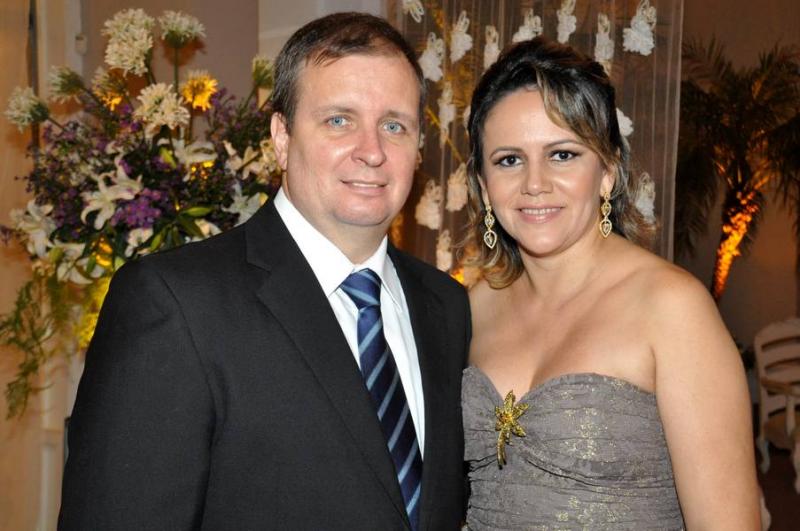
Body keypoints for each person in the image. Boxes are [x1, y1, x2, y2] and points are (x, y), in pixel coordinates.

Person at [59, 12, 470, 530]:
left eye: (394, 126)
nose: (372, 152)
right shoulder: (175, 303)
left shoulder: (446, 306)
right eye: (339, 120)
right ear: (281, 136)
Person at [461, 37, 759, 530]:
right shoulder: (475, 306)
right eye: (509, 160)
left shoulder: (671, 307)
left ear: (607, 172)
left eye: (562, 154)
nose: (534, 183)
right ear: (483, 185)